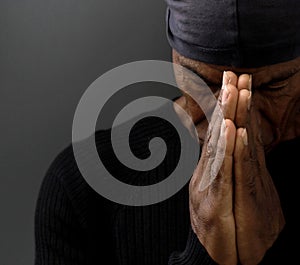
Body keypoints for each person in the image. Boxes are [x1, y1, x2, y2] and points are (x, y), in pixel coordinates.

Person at [34, 0, 300, 264]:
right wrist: (204, 256)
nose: (230, 119)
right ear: (174, 59)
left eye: (273, 86)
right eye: (203, 82)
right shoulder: (81, 187)